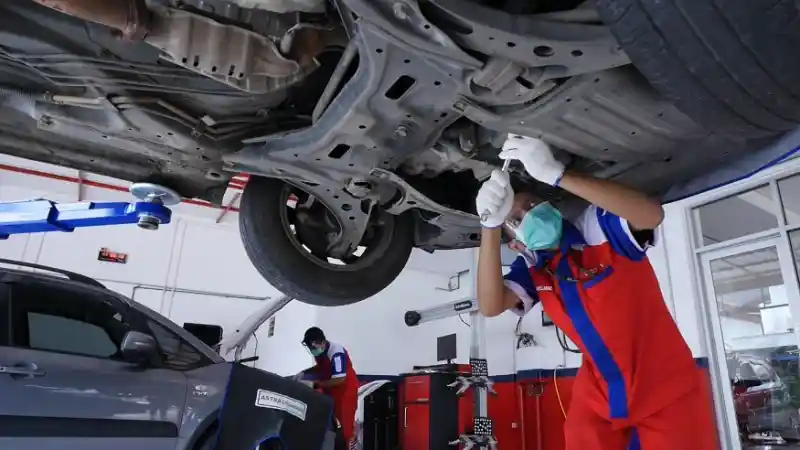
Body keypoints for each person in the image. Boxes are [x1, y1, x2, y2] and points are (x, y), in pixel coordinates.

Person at [475, 134, 716, 450]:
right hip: (599, 390)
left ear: (551, 205)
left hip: (664, 384)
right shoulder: (533, 267)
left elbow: (651, 215)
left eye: (532, 204)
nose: (530, 215)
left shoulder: (596, 229)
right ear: (517, 245)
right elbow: (490, 306)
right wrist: (490, 226)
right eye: (516, 219)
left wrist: (557, 174)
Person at [299, 327, 359, 446]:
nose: (312, 351)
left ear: (322, 342)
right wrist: (304, 373)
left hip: (345, 392)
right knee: (329, 422)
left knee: (346, 427)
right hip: (331, 390)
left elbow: (339, 378)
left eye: (313, 348)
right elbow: (321, 367)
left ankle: (349, 445)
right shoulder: (320, 351)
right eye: (310, 349)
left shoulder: (336, 352)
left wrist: (315, 384)